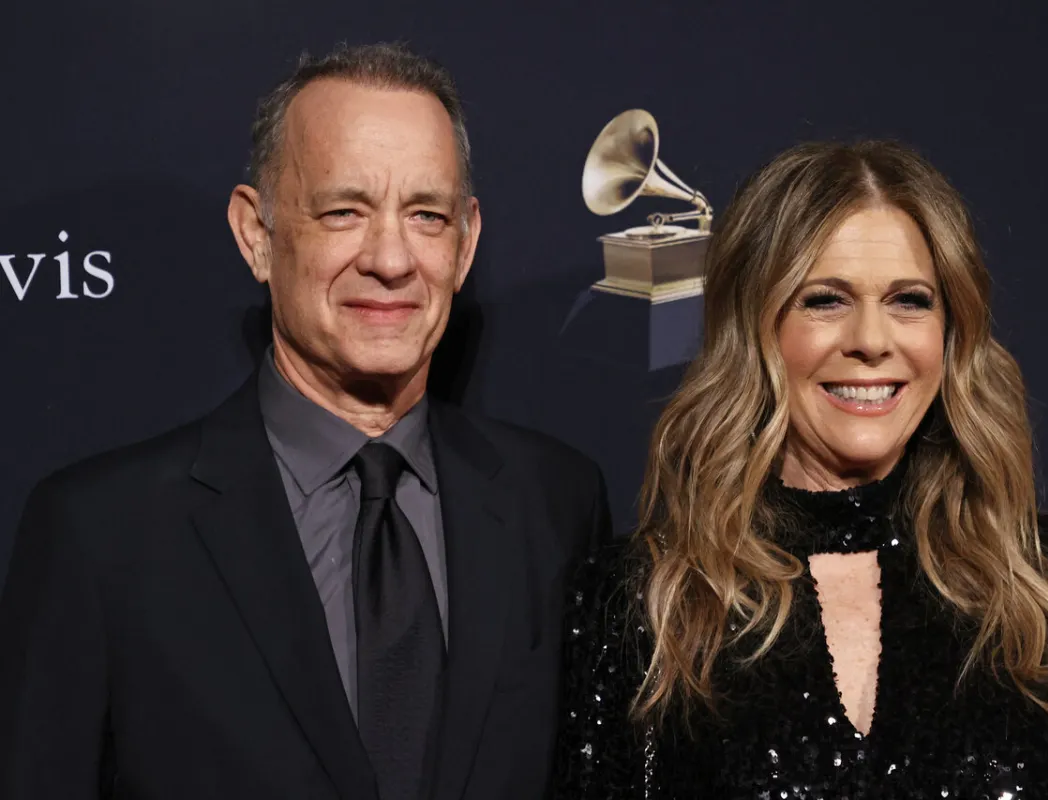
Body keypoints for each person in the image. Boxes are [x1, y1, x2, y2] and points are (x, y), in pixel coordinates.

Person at [0, 43, 610, 800]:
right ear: (257, 234)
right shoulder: (100, 534)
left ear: (465, 242)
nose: (390, 258)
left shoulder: (556, 504)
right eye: (343, 211)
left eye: (426, 215)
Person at [553, 141, 1048, 798]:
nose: (873, 340)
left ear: (951, 331)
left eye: (910, 300)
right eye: (825, 300)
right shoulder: (649, 598)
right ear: (754, 326)